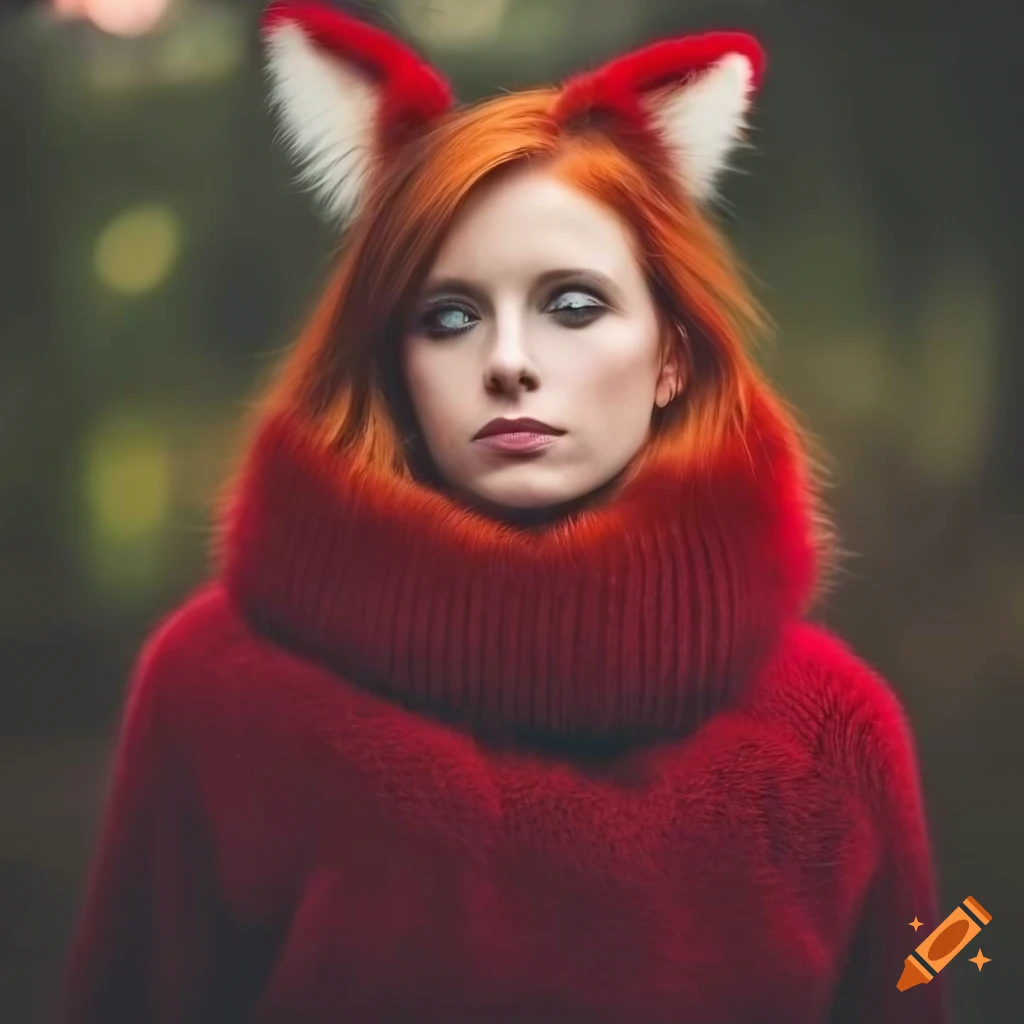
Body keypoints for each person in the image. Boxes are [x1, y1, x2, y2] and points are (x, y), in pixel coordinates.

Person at [61, 2, 949, 1022]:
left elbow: (927, 979)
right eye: (447, 315)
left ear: (671, 357)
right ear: (391, 365)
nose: (509, 361)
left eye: (573, 305)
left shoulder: (830, 729)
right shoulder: (214, 691)